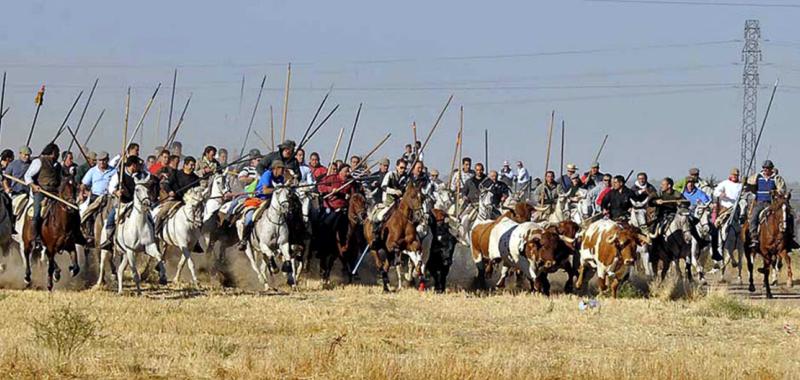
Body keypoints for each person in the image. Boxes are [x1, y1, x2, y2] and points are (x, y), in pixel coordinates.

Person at [99, 156, 147, 250]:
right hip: (123, 202)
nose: (139, 167)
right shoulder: (119, 174)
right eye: (138, 165)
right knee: (111, 217)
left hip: (137, 203)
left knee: (150, 217)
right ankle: (109, 239)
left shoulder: (140, 175)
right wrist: (116, 192)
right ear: (133, 165)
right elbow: (111, 187)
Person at [238, 160, 285, 250]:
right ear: (275, 169)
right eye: (281, 169)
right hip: (258, 200)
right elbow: (265, 190)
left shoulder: (281, 178)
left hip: (272, 201)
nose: (282, 171)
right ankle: (244, 240)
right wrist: (276, 188)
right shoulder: (267, 174)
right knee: (250, 217)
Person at [24, 143, 62, 249]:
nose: (58, 155)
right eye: (57, 153)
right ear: (53, 152)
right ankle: (35, 237)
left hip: (55, 192)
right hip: (41, 191)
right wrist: (33, 186)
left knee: (68, 210)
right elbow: (27, 175)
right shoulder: (38, 162)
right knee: (37, 212)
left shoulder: (57, 165)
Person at [746, 160, 788, 248]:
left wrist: (776, 192)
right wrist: (746, 182)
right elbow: (749, 186)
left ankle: (788, 237)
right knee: (754, 217)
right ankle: (754, 237)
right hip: (760, 202)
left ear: (771, 169)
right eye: (764, 168)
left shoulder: (776, 178)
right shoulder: (757, 177)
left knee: (786, 216)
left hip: (772, 204)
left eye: (768, 168)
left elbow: (782, 190)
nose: (766, 170)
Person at [370, 158, 408, 238]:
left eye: (404, 168)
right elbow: (383, 187)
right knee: (380, 216)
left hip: (399, 203)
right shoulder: (390, 174)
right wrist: (394, 191)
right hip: (388, 201)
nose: (403, 170)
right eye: (401, 168)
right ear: (397, 167)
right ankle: (376, 234)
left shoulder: (406, 178)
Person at [317, 164, 353, 246]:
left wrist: (349, 196)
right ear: (340, 171)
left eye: (348, 171)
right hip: (331, 207)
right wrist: (330, 190)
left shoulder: (350, 181)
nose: (347, 173)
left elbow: (353, 194)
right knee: (325, 225)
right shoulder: (332, 178)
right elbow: (320, 186)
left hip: (344, 208)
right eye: (346, 171)